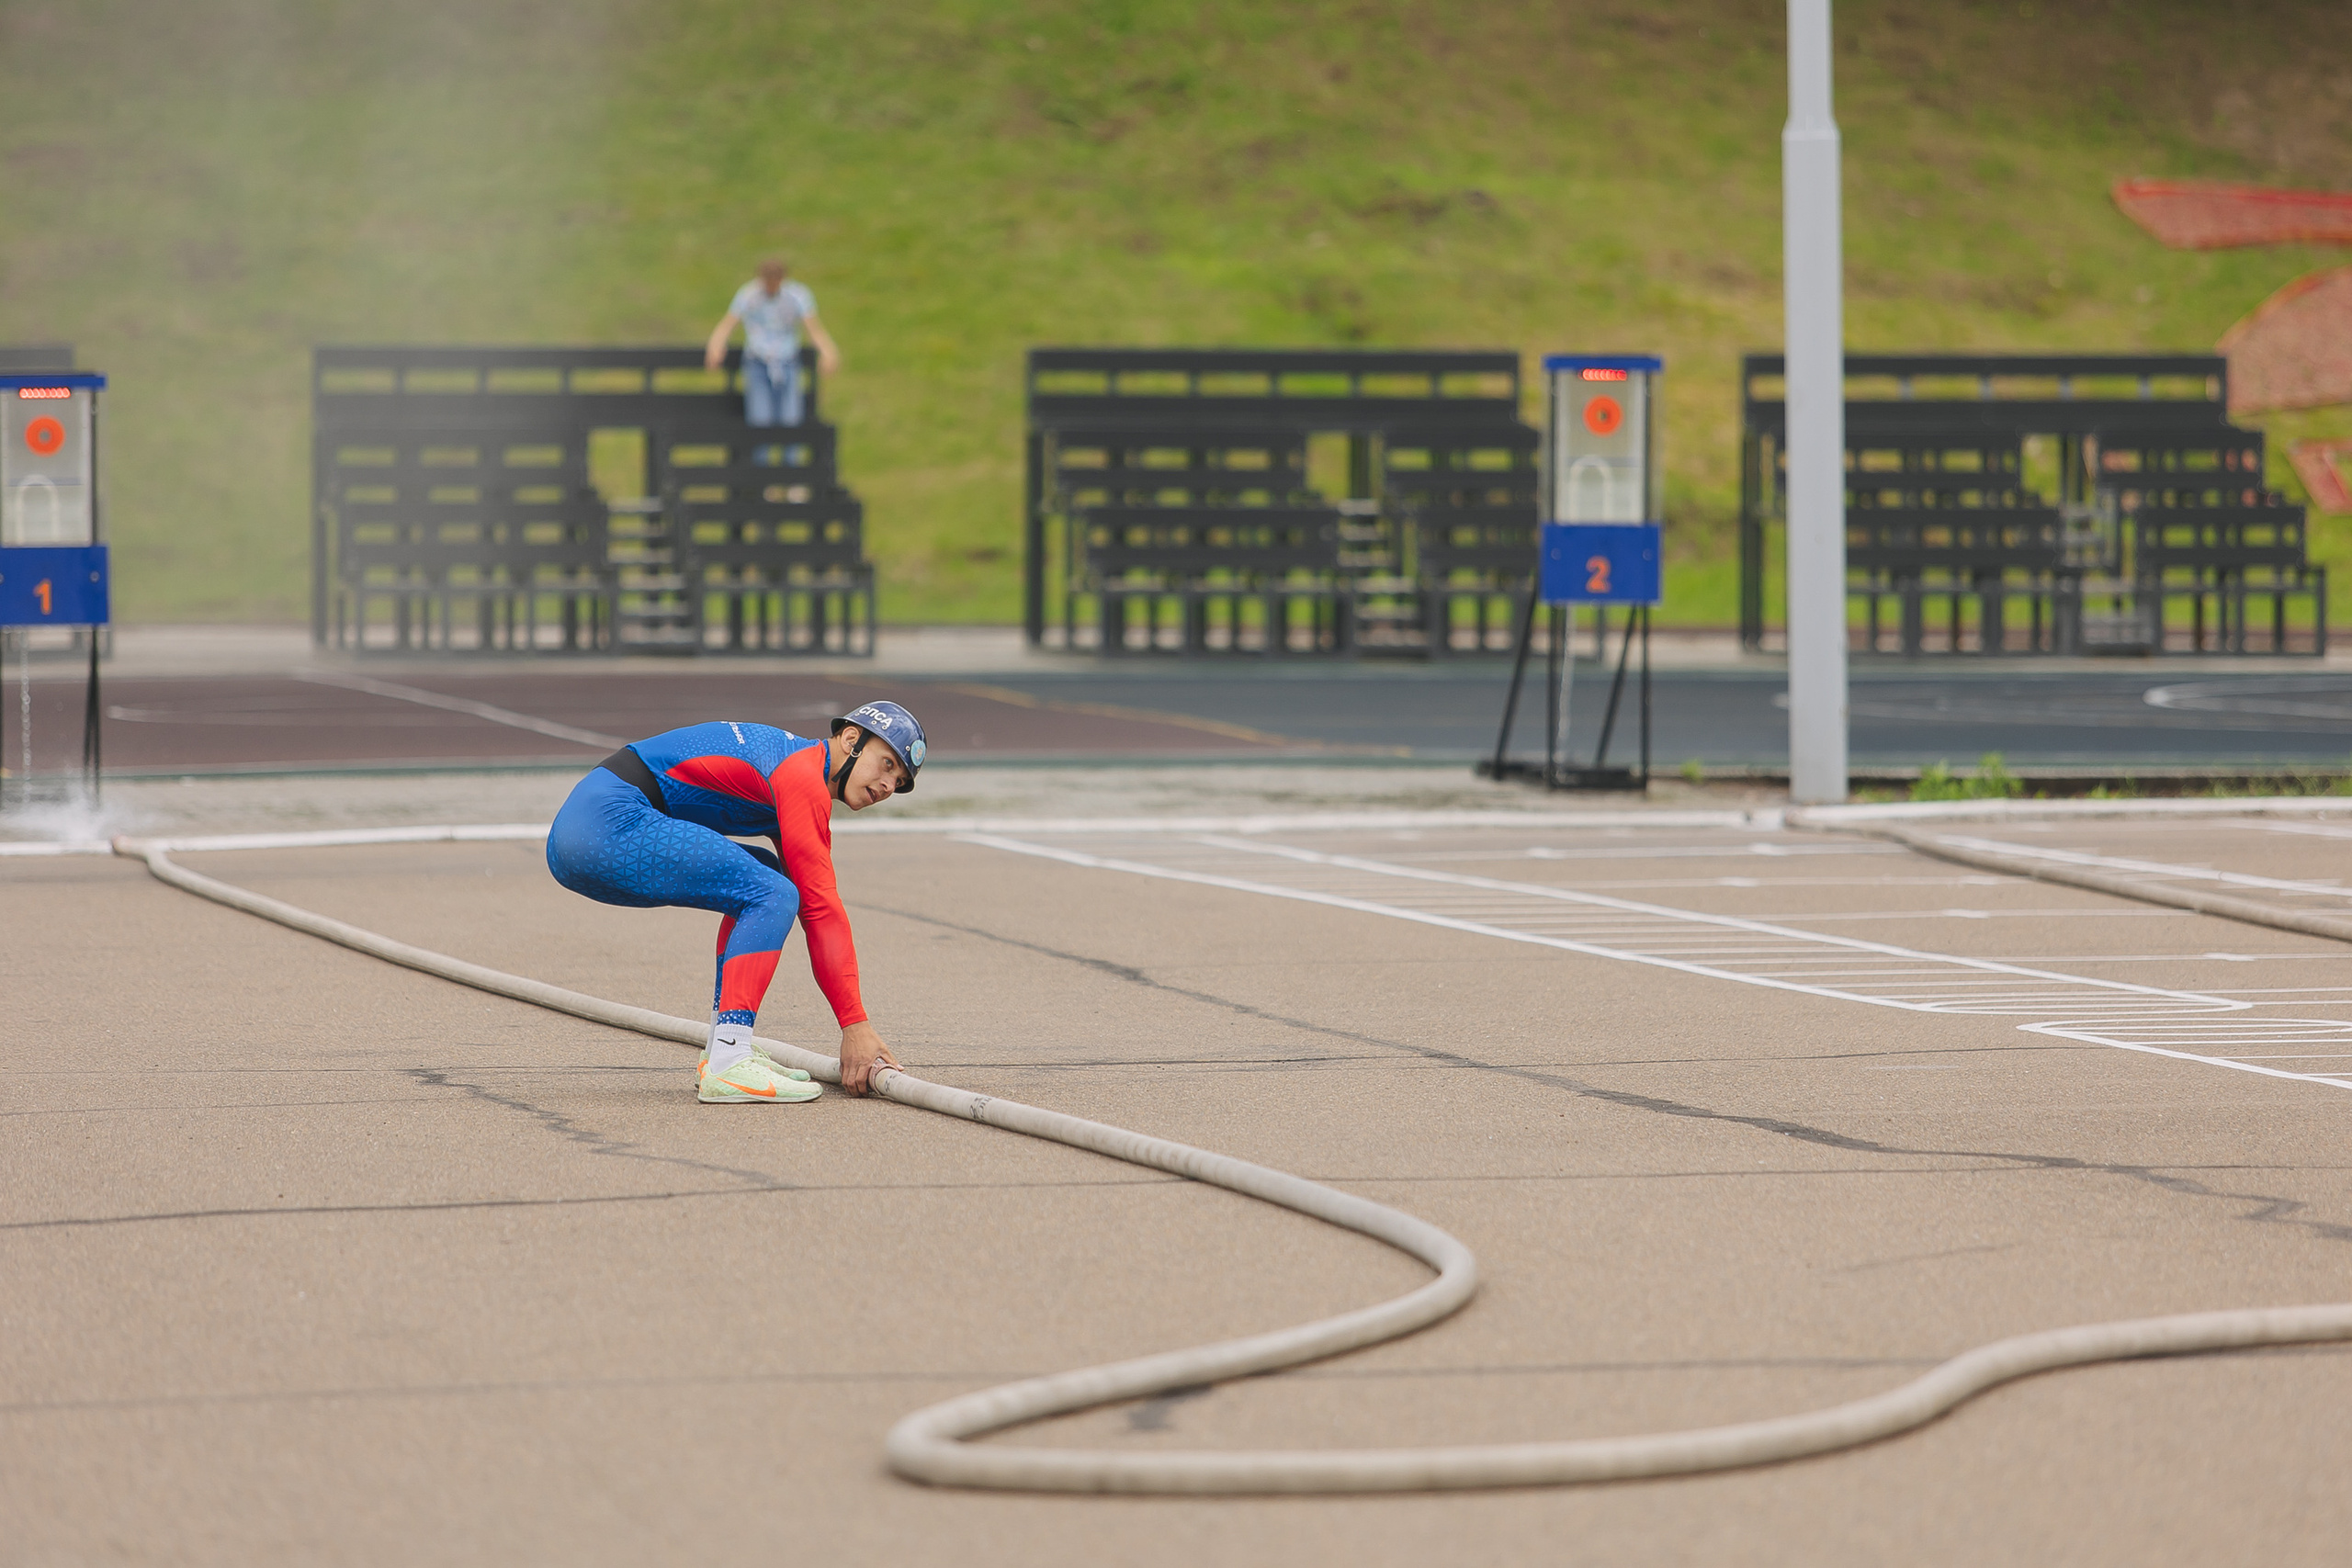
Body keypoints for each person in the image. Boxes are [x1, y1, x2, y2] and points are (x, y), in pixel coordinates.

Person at [544, 701, 926, 1103]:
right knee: (774, 893)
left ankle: (722, 1050)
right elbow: (821, 909)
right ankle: (729, 1060)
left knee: (768, 879)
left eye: (899, 782)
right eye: (887, 764)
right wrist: (856, 1026)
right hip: (603, 824)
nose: (888, 786)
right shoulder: (801, 775)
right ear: (852, 740)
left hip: (588, 825)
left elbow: (817, 909)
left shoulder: (795, 769)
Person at [704, 257, 841, 427]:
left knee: (791, 421)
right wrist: (716, 346)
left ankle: (790, 454)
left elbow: (813, 328)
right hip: (758, 361)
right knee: (760, 422)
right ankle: (760, 454)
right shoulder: (749, 295)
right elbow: (728, 324)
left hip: (787, 361)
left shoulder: (797, 296)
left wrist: (828, 351)